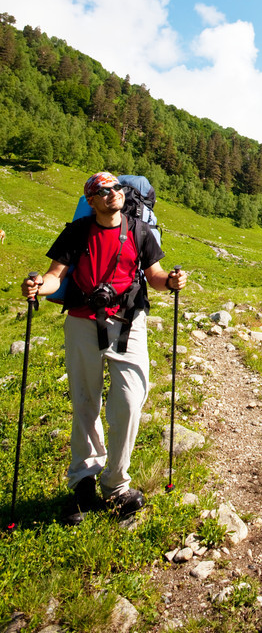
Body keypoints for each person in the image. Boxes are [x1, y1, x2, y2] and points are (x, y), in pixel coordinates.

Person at [22, 171, 187, 525]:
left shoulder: (140, 231)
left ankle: (115, 483)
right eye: (101, 190)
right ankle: (83, 482)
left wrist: (170, 282)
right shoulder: (77, 232)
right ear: (91, 201)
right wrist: (39, 284)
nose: (110, 193)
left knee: (129, 401)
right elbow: (56, 276)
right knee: (85, 401)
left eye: (114, 188)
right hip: (82, 322)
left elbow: (154, 275)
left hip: (129, 324)